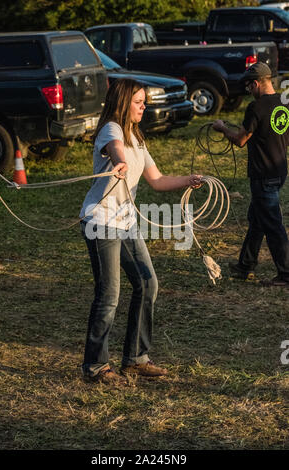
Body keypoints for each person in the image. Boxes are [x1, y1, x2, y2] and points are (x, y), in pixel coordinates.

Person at [79, 78, 203, 384]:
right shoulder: (112, 129)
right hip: (101, 221)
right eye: (139, 101)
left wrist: (189, 180)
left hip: (125, 223)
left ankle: (135, 359)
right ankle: (95, 367)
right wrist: (119, 162)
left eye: (144, 101)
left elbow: (157, 180)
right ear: (123, 103)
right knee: (109, 295)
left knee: (148, 285)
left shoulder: (137, 136)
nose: (143, 106)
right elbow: (116, 150)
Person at [213, 62, 289, 287]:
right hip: (279, 170)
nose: (249, 91)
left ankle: (286, 273)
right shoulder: (283, 104)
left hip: (262, 174)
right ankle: (245, 264)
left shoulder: (256, 108)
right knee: (258, 219)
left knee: (272, 224)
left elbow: (240, 140)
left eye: (249, 87)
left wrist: (222, 128)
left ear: (256, 83)